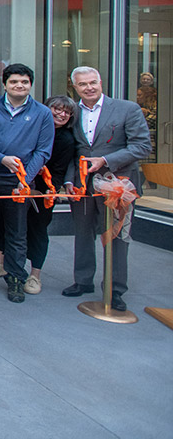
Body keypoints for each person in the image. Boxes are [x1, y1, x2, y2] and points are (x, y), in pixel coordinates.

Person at [63, 66, 150, 311]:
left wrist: (106, 161)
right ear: (75, 87)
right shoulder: (72, 113)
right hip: (82, 186)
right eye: (83, 84)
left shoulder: (127, 109)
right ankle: (82, 281)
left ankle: (115, 290)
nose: (89, 87)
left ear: (101, 82)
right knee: (82, 233)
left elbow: (142, 146)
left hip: (119, 185)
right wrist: (69, 180)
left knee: (117, 237)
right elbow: (72, 150)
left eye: (92, 82)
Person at [0, 63, 55, 303]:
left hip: (20, 183)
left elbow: (43, 151)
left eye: (24, 82)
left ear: (31, 84)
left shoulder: (42, 113)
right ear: (5, 84)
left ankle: (16, 279)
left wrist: (25, 179)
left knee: (17, 232)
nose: (19, 86)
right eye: (14, 82)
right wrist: (0, 158)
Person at [15, 94, 75, 296]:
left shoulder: (66, 139)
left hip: (43, 190)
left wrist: (49, 189)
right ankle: (4, 265)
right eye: (56, 108)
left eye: (66, 112)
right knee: (13, 227)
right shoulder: (33, 127)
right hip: (19, 183)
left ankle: (35, 275)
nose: (61, 114)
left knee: (38, 230)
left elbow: (58, 170)